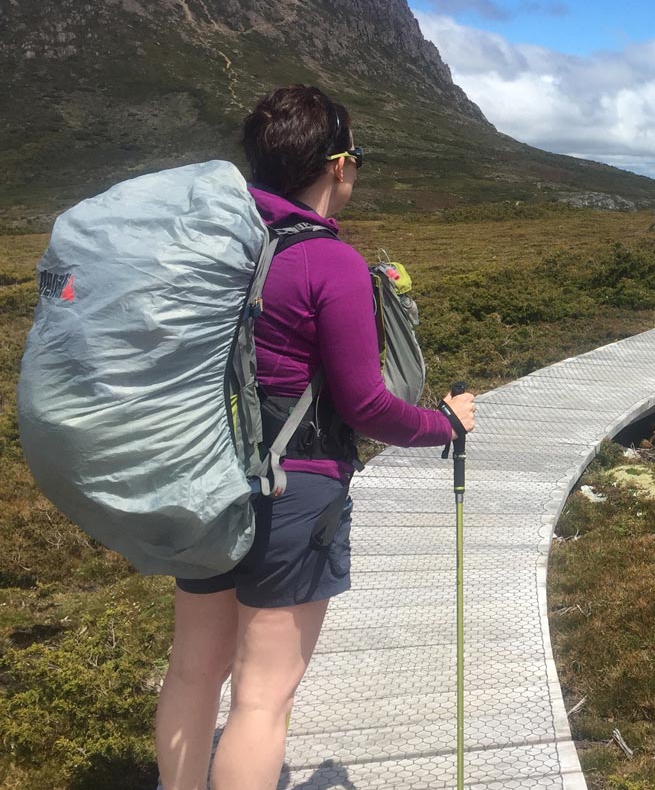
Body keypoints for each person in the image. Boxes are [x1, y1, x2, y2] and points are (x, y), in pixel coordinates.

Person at [153, 85, 476, 790]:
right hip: (294, 496)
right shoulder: (330, 262)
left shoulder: (219, 243)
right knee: (263, 697)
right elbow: (366, 405)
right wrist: (443, 423)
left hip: (204, 480)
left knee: (191, 670)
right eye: (356, 155)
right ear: (337, 166)